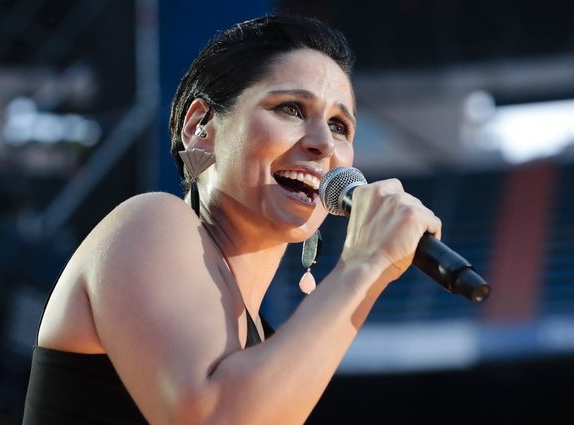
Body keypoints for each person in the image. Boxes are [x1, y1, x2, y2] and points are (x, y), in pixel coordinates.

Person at [22, 13, 441, 425]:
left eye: (338, 125)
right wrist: (365, 266)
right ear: (199, 126)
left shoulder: (268, 348)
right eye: (291, 108)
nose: (322, 144)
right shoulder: (149, 221)